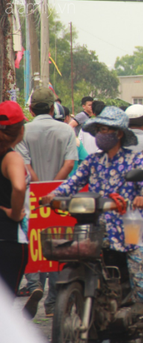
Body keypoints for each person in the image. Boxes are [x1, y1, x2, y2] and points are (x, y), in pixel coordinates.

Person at [43, 106, 143, 343]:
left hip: (129, 226)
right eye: (98, 129)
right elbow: (71, 184)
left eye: (105, 129)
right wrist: (52, 196)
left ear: (119, 133)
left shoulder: (134, 158)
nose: (101, 134)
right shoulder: (92, 161)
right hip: (96, 227)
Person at [16, 88, 78, 317]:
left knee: (33, 243)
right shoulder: (66, 130)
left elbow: (25, 165)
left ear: (31, 109)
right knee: (58, 245)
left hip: (31, 197)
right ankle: (52, 304)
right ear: (53, 108)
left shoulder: (24, 131)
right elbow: (70, 164)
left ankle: (34, 286)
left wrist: (40, 189)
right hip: (60, 199)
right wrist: (54, 189)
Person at [0, 101, 32, 311]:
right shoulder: (12, 157)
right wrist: (14, 213)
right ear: (20, 129)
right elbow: (19, 188)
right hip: (8, 238)